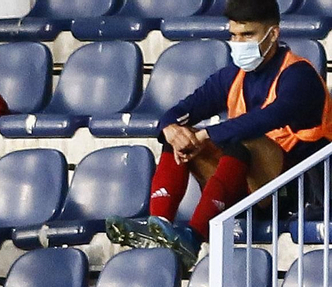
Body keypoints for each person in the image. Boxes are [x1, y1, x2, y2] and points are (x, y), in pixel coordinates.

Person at [109, 0, 332, 269]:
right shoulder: (231, 76)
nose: (238, 43)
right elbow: (180, 110)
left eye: (247, 35)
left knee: (239, 139)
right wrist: (171, 130)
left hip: (294, 189)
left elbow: (268, 118)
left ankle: (193, 236)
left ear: (273, 35)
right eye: (234, 35)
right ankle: (160, 225)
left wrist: (207, 135)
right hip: (246, 182)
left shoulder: (299, 75)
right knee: (181, 136)